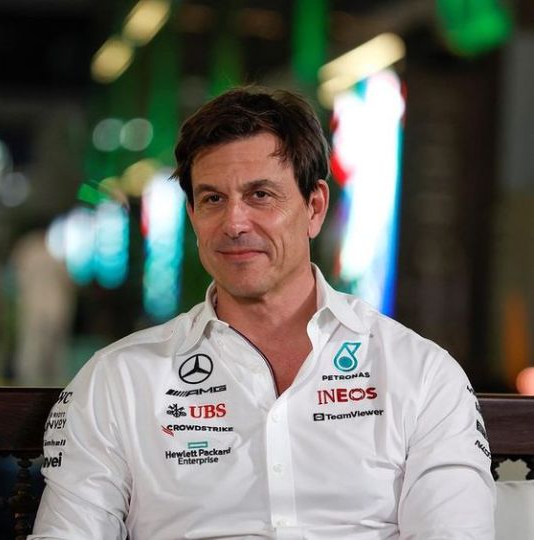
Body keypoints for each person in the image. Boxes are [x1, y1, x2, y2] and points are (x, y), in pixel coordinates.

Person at [30, 87, 495, 540]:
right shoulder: (118, 380)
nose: (234, 223)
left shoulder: (421, 374)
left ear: (314, 207)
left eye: (260, 195)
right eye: (213, 199)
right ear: (193, 216)